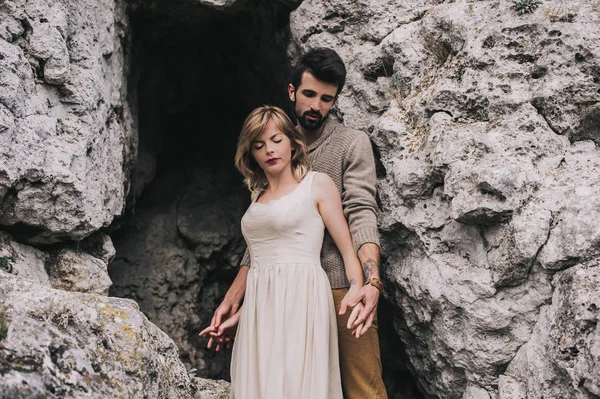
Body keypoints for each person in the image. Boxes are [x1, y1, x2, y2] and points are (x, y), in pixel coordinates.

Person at [205, 48, 387, 398]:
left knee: (364, 388)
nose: (316, 106)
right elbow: (264, 238)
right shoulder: (272, 154)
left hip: (340, 289)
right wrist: (235, 297)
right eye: (308, 95)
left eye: (326, 99)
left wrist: (370, 282)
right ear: (292, 92)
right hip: (276, 297)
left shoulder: (351, 143)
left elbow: (362, 213)